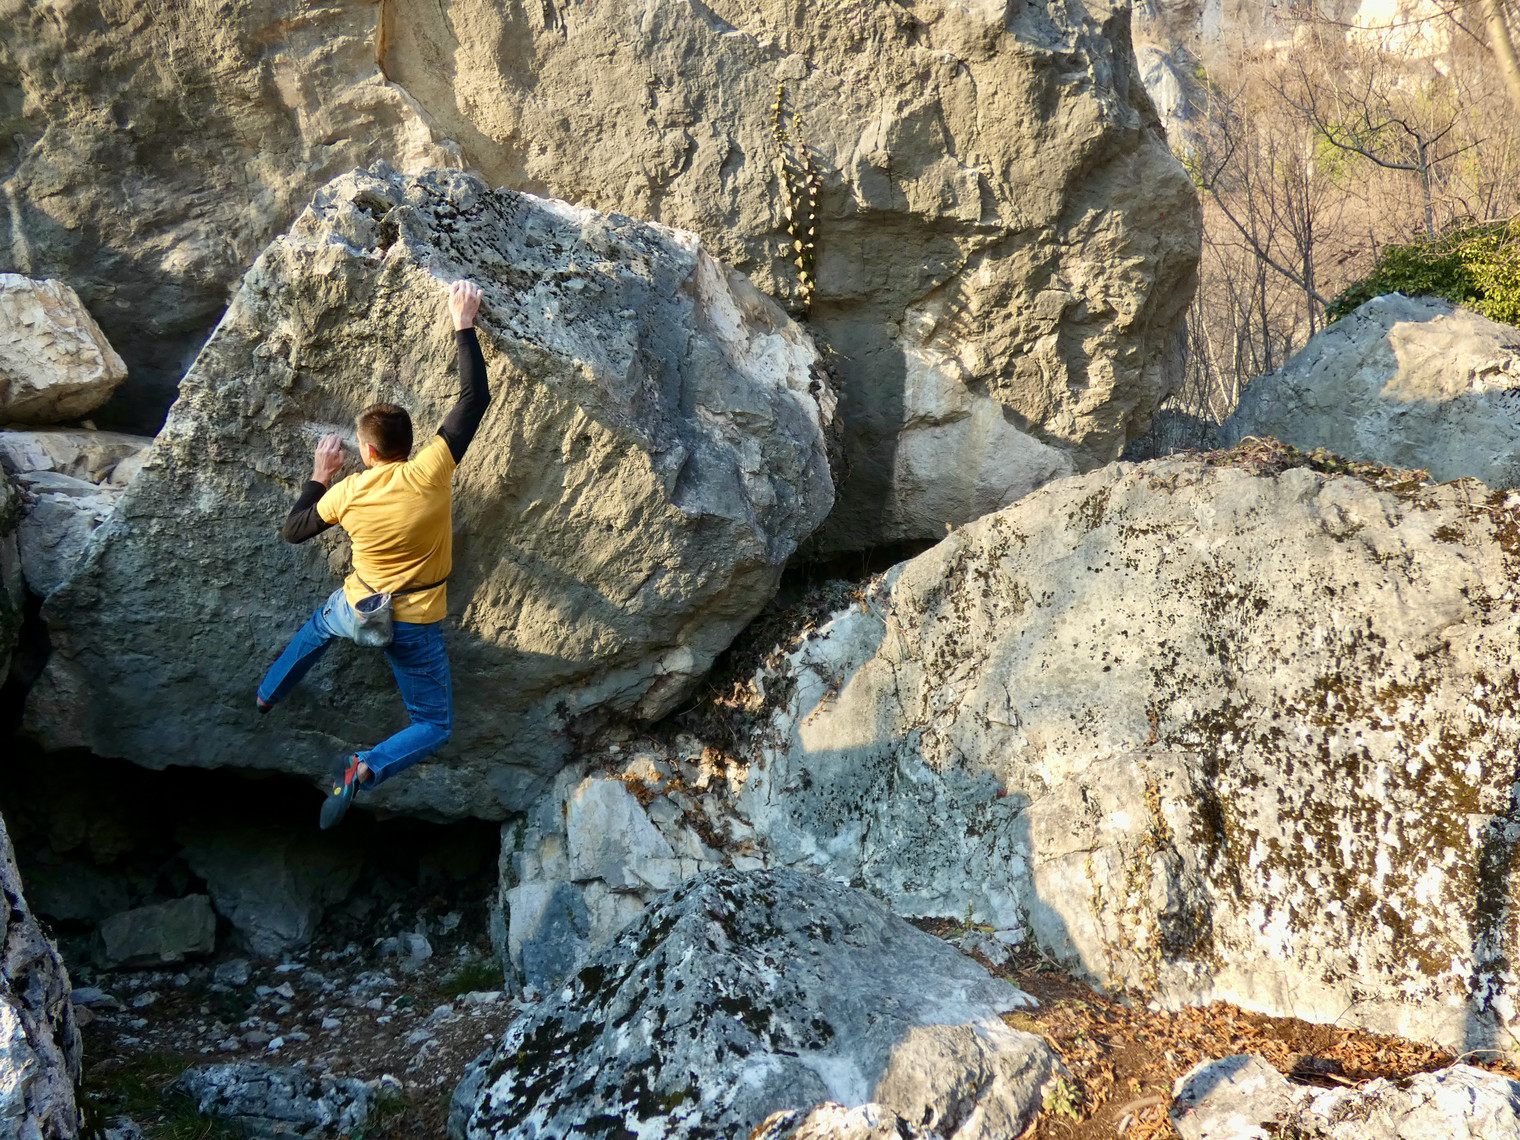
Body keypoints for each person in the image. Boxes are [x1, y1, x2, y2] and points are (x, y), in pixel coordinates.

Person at [256, 279, 490, 828]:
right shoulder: (431, 469)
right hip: (414, 622)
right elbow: (473, 399)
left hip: (357, 606)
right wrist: (463, 324)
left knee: (318, 627)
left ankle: (268, 694)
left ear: (365, 450)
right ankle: (365, 767)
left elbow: (293, 530)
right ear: (410, 443)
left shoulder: (346, 492)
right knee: (433, 725)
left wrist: (319, 477)